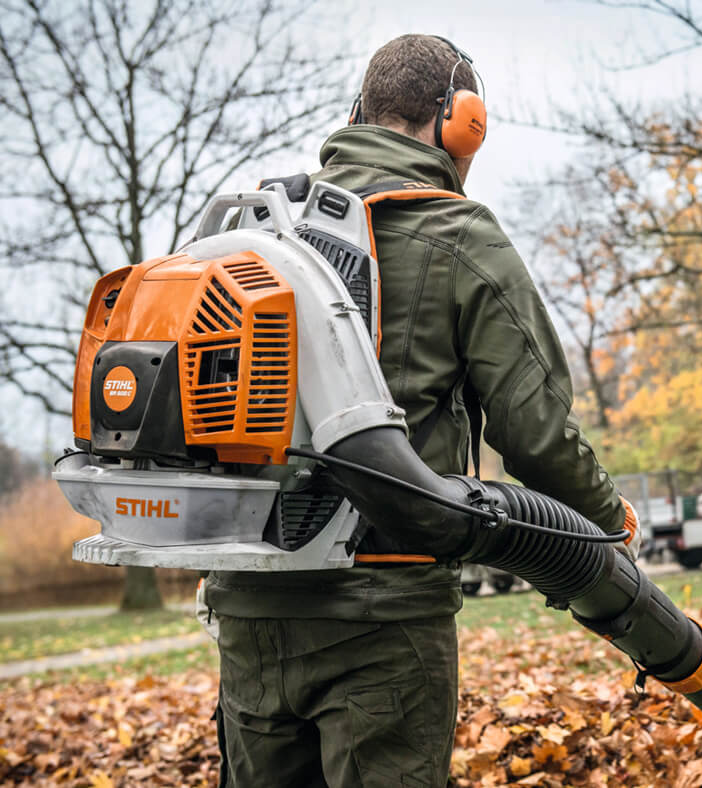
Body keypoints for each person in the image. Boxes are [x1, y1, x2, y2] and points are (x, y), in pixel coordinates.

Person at [202, 34, 639, 787]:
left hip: (250, 601)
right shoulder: (460, 234)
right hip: (385, 609)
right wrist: (608, 523)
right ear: (462, 122)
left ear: (359, 116)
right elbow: (534, 435)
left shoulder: (262, 231)